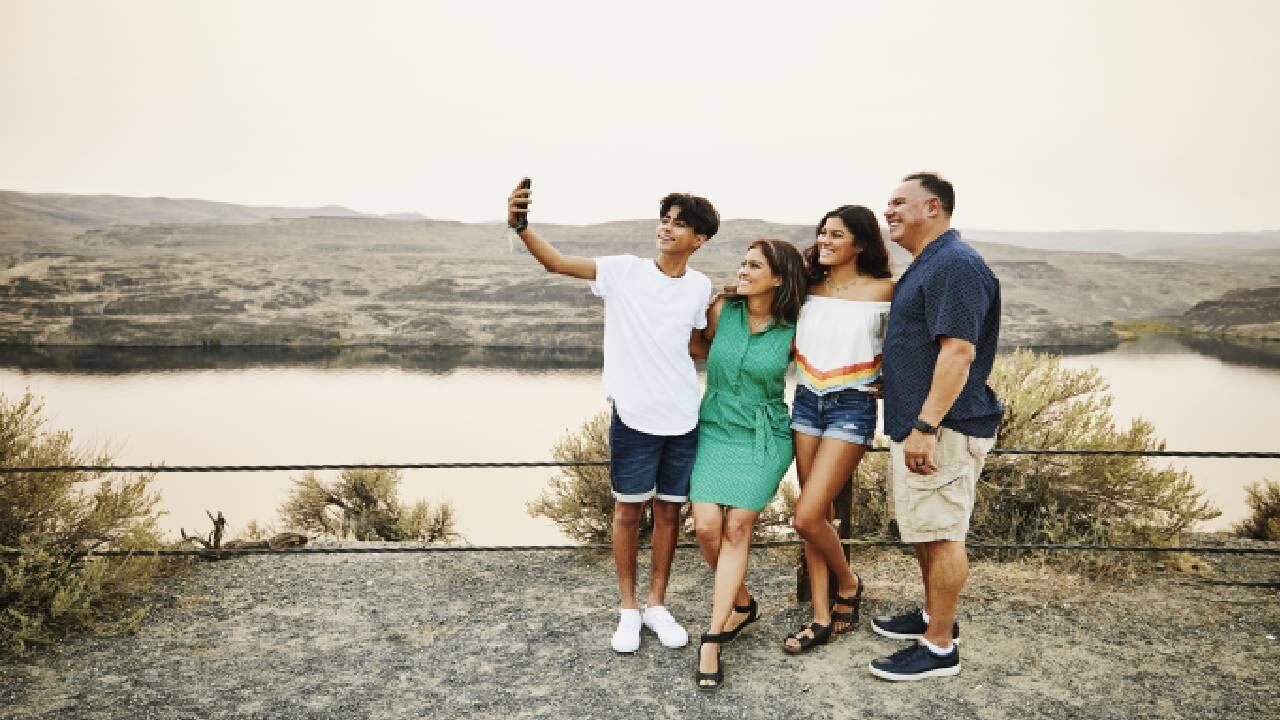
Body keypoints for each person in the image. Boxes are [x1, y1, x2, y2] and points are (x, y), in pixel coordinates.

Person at [506, 178, 716, 654]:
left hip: (683, 416)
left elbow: (697, 345)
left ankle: (657, 606)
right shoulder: (624, 272)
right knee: (627, 513)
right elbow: (557, 263)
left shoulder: (700, 287)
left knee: (668, 514)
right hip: (635, 416)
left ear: (699, 240)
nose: (667, 229)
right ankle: (627, 610)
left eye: (679, 224)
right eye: (665, 220)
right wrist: (521, 226)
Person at [868, 172, 1002, 681]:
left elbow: (959, 351)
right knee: (927, 528)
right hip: (923, 422)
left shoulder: (955, 265)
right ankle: (931, 616)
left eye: (900, 203)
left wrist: (925, 424)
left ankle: (940, 647)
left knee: (943, 532)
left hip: (944, 427)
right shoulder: (931, 264)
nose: (890, 212)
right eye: (888, 204)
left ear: (935, 208)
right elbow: (928, 347)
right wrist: (896, 383)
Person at [687, 238, 807, 690]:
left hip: (764, 433)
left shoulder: (794, 328)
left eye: (754, 265)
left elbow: (821, 371)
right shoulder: (722, 311)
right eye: (743, 263)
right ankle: (740, 603)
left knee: (738, 526)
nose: (743, 270)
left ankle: (712, 639)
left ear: (778, 277)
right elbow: (697, 348)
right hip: (714, 426)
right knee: (704, 527)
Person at [781, 205, 895, 654]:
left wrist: (898, 380)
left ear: (861, 244)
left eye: (837, 235)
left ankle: (848, 584)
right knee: (818, 519)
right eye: (822, 233)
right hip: (807, 400)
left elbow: (912, 343)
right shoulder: (806, 287)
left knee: (806, 515)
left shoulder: (887, 290)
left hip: (853, 404)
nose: (825, 240)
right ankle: (821, 617)